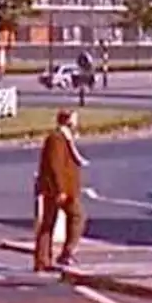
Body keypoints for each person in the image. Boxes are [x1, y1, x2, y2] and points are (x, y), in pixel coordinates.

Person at [34, 108, 88, 272]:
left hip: (64, 189)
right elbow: (55, 165)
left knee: (50, 222)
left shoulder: (65, 137)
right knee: (74, 216)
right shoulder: (57, 139)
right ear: (68, 121)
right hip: (59, 190)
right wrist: (61, 190)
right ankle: (61, 254)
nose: (77, 123)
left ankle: (46, 259)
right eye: (74, 119)